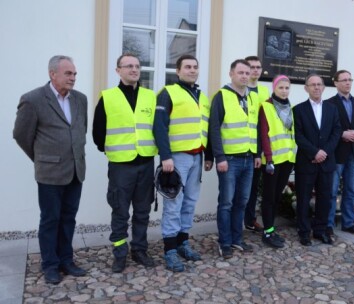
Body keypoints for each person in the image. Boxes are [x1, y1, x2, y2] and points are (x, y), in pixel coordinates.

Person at [14, 55, 88, 284]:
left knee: (69, 218)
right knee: (50, 219)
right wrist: (43, 159)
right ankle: (50, 265)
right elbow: (21, 135)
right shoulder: (33, 99)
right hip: (50, 173)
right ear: (52, 73)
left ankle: (66, 260)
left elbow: (81, 129)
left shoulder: (80, 99)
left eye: (74, 73)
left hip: (76, 169)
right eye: (68, 73)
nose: (73, 78)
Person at [92, 53, 157, 273]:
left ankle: (139, 250)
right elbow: (98, 132)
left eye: (137, 66)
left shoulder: (150, 96)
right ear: (118, 70)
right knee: (120, 211)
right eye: (128, 66)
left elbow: (157, 128)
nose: (134, 69)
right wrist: (110, 149)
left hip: (146, 161)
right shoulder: (108, 97)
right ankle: (119, 253)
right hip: (121, 165)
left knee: (142, 211)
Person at [153, 54, 213, 272]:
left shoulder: (202, 97)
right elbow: (159, 126)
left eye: (195, 67)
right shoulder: (168, 93)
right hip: (177, 158)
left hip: (197, 157)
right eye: (187, 67)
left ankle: (182, 243)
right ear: (177, 71)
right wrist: (165, 156)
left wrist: (208, 157)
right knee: (174, 203)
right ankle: (169, 249)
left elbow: (206, 129)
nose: (192, 70)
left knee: (189, 202)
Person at [209, 59, 261, 258]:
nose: (245, 76)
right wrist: (219, 157)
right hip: (229, 159)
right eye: (241, 72)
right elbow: (214, 128)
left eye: (247, 73)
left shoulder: (253, 98)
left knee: (242, 202)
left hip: (249, 159)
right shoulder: (221, 96)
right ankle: (225, 242)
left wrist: (257, 154)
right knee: (226, 203)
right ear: (231, 74)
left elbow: (254, 128)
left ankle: (237, 240)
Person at [293, 74, 341, 246]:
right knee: (303, 198)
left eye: (319, 84)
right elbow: (298, 135)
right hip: (306, 162)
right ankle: (304, 231)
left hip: (326, 162)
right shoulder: (298, 110)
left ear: (324, 87)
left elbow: (336, 133)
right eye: (312, 85)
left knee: (325, 197)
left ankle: (320, 230)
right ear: (306, 88)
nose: (316, 87)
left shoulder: (332, 108)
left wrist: (324, 152)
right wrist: (314, 153)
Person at [327, 70, 354, 236]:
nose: (347, 83)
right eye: (344, 80)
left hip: (353, 154)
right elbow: (327, 128)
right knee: (332, 192)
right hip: (337, 154)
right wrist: (342, 134)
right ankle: (329, 224)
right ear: (336, 83)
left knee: (351, 191)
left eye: (349, 79)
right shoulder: (329, 103)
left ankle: (348, 223)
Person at [259, 75, 296, 248]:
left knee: (277, 196)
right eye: (281, 87)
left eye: (287, 88)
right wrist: (268, 158)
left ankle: (271, 228)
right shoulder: (266, 106)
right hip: (272, 160)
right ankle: (267, 231)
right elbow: (264, 134)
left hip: (288, 159)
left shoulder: (290, 107)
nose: (284, 91)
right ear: (274, 88)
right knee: (269, 197)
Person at [243, 56, 270, 233]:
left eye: (258, 67)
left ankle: (250, 219)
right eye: (251, 67)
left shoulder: (264, 93)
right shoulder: (239, 90)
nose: (255, 70)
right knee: (237, 190)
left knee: (253, 188)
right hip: (240, 147)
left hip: (259, 149)